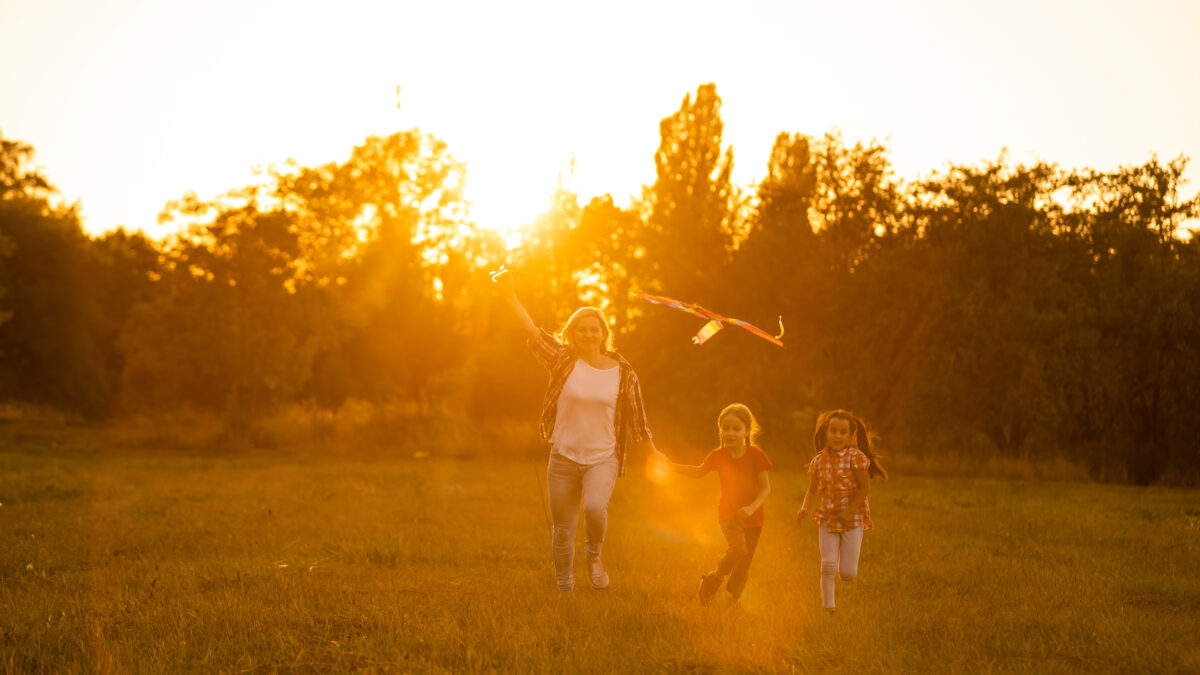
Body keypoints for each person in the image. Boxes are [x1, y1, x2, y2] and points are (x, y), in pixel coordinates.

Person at [495, 268, 659, 593]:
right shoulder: (562, 360)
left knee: (596, 510)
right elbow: (532, 331)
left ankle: (593, 554)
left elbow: (638, 419)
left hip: (603, 457)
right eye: (581, 329)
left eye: (593, 329)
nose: (587, 334)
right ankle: (565, 589)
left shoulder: (623, 372)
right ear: (572, 333)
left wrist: (656, 456)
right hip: (563, 457)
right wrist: (509, 294)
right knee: (562, 530)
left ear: (603, 333)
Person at [665, 403, 772, 605]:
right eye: (726, 428)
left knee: (745, 562)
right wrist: (671, 466)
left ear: (747, 431)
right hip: (728, 514)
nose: (730, 433)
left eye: (736, 428)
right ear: (720, 429)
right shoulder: (718, 455)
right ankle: (715, 577)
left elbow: (766, 488)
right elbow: (698, 472)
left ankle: (733, 599)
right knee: (739, 549)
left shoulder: (756, 455)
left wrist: (751, 508)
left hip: (754, 516)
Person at [797, 409, 888, 614]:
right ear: (826, 433)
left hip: (852, 518)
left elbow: (865, 488)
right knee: (827, 565)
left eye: (842, 432)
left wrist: (850, 511)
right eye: (833, 431)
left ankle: (845, 570)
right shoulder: (819, 461)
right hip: (828, 518)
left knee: (847, 574)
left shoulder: (855, 457)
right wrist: (804, 508)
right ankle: (828, 608)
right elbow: (813, 491)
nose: (837, 436)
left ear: (850, 435)